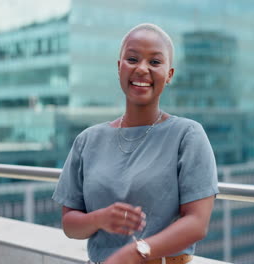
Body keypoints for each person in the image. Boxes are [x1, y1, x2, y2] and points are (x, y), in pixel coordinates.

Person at [52, 23, 219, 264]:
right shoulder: (87, 140)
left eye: (154, 62)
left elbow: (197, 223)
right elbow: (70, 224)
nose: (142, 69)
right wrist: (99, 219)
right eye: (132, 59)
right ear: (119, 68)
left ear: (169, 74)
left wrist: (136, 251)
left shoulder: (188, 135)